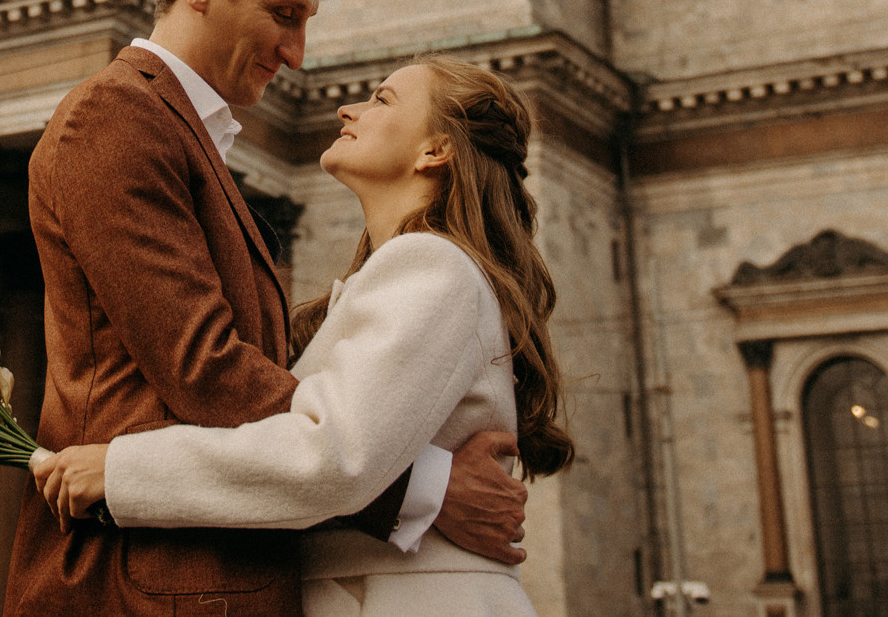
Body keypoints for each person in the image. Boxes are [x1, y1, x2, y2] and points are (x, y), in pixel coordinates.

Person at [4, 0, 527, 616]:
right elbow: (207, 370)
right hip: (148, 585)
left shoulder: (185, 134)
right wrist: (414, 489)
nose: (298, 55)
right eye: (284, 15)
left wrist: (376, 469)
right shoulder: (117, 115)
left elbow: (294, 410)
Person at [33, 56, 572, 616]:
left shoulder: (432, 265)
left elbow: (334, 454)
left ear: (435, 151)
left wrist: (121, 471)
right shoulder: (404, 274)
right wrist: (430, 491)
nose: (347, 108)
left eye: (382, 100)